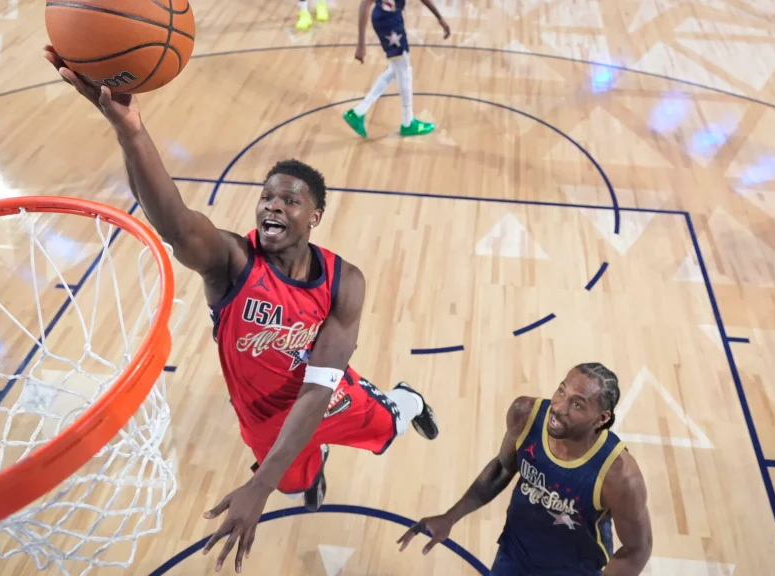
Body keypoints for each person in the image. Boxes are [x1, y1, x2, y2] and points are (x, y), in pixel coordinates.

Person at [44, 46, 440, 574]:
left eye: (290, 200)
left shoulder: (345, 282)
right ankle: (309, 462)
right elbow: (176, 224)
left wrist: (258, 484)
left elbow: (318, 389)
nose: (274, 205)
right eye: (267, 196)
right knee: (295, 482)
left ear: (315, 216)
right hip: (262, 418)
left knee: (390, 426)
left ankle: (408, 399)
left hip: (326, 396)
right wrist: (130, 132)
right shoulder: (231, 262)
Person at [397, 363, 652, 575]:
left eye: (577, 405)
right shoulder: (526, 415)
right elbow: (502, 469)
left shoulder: (619, 475)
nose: (559, 408)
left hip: (575, 569)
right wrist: (450, 516)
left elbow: (637, 550)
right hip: (514, 554)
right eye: (561, 391)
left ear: (602, 418)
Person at [343, 0, 450, 138]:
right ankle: (408, 123)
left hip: (393, 18)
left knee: (396, 69)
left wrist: (439, 17)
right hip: (388, 22)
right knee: (404, 70)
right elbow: (365, 4)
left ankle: (358, 112)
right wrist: (361, 44)